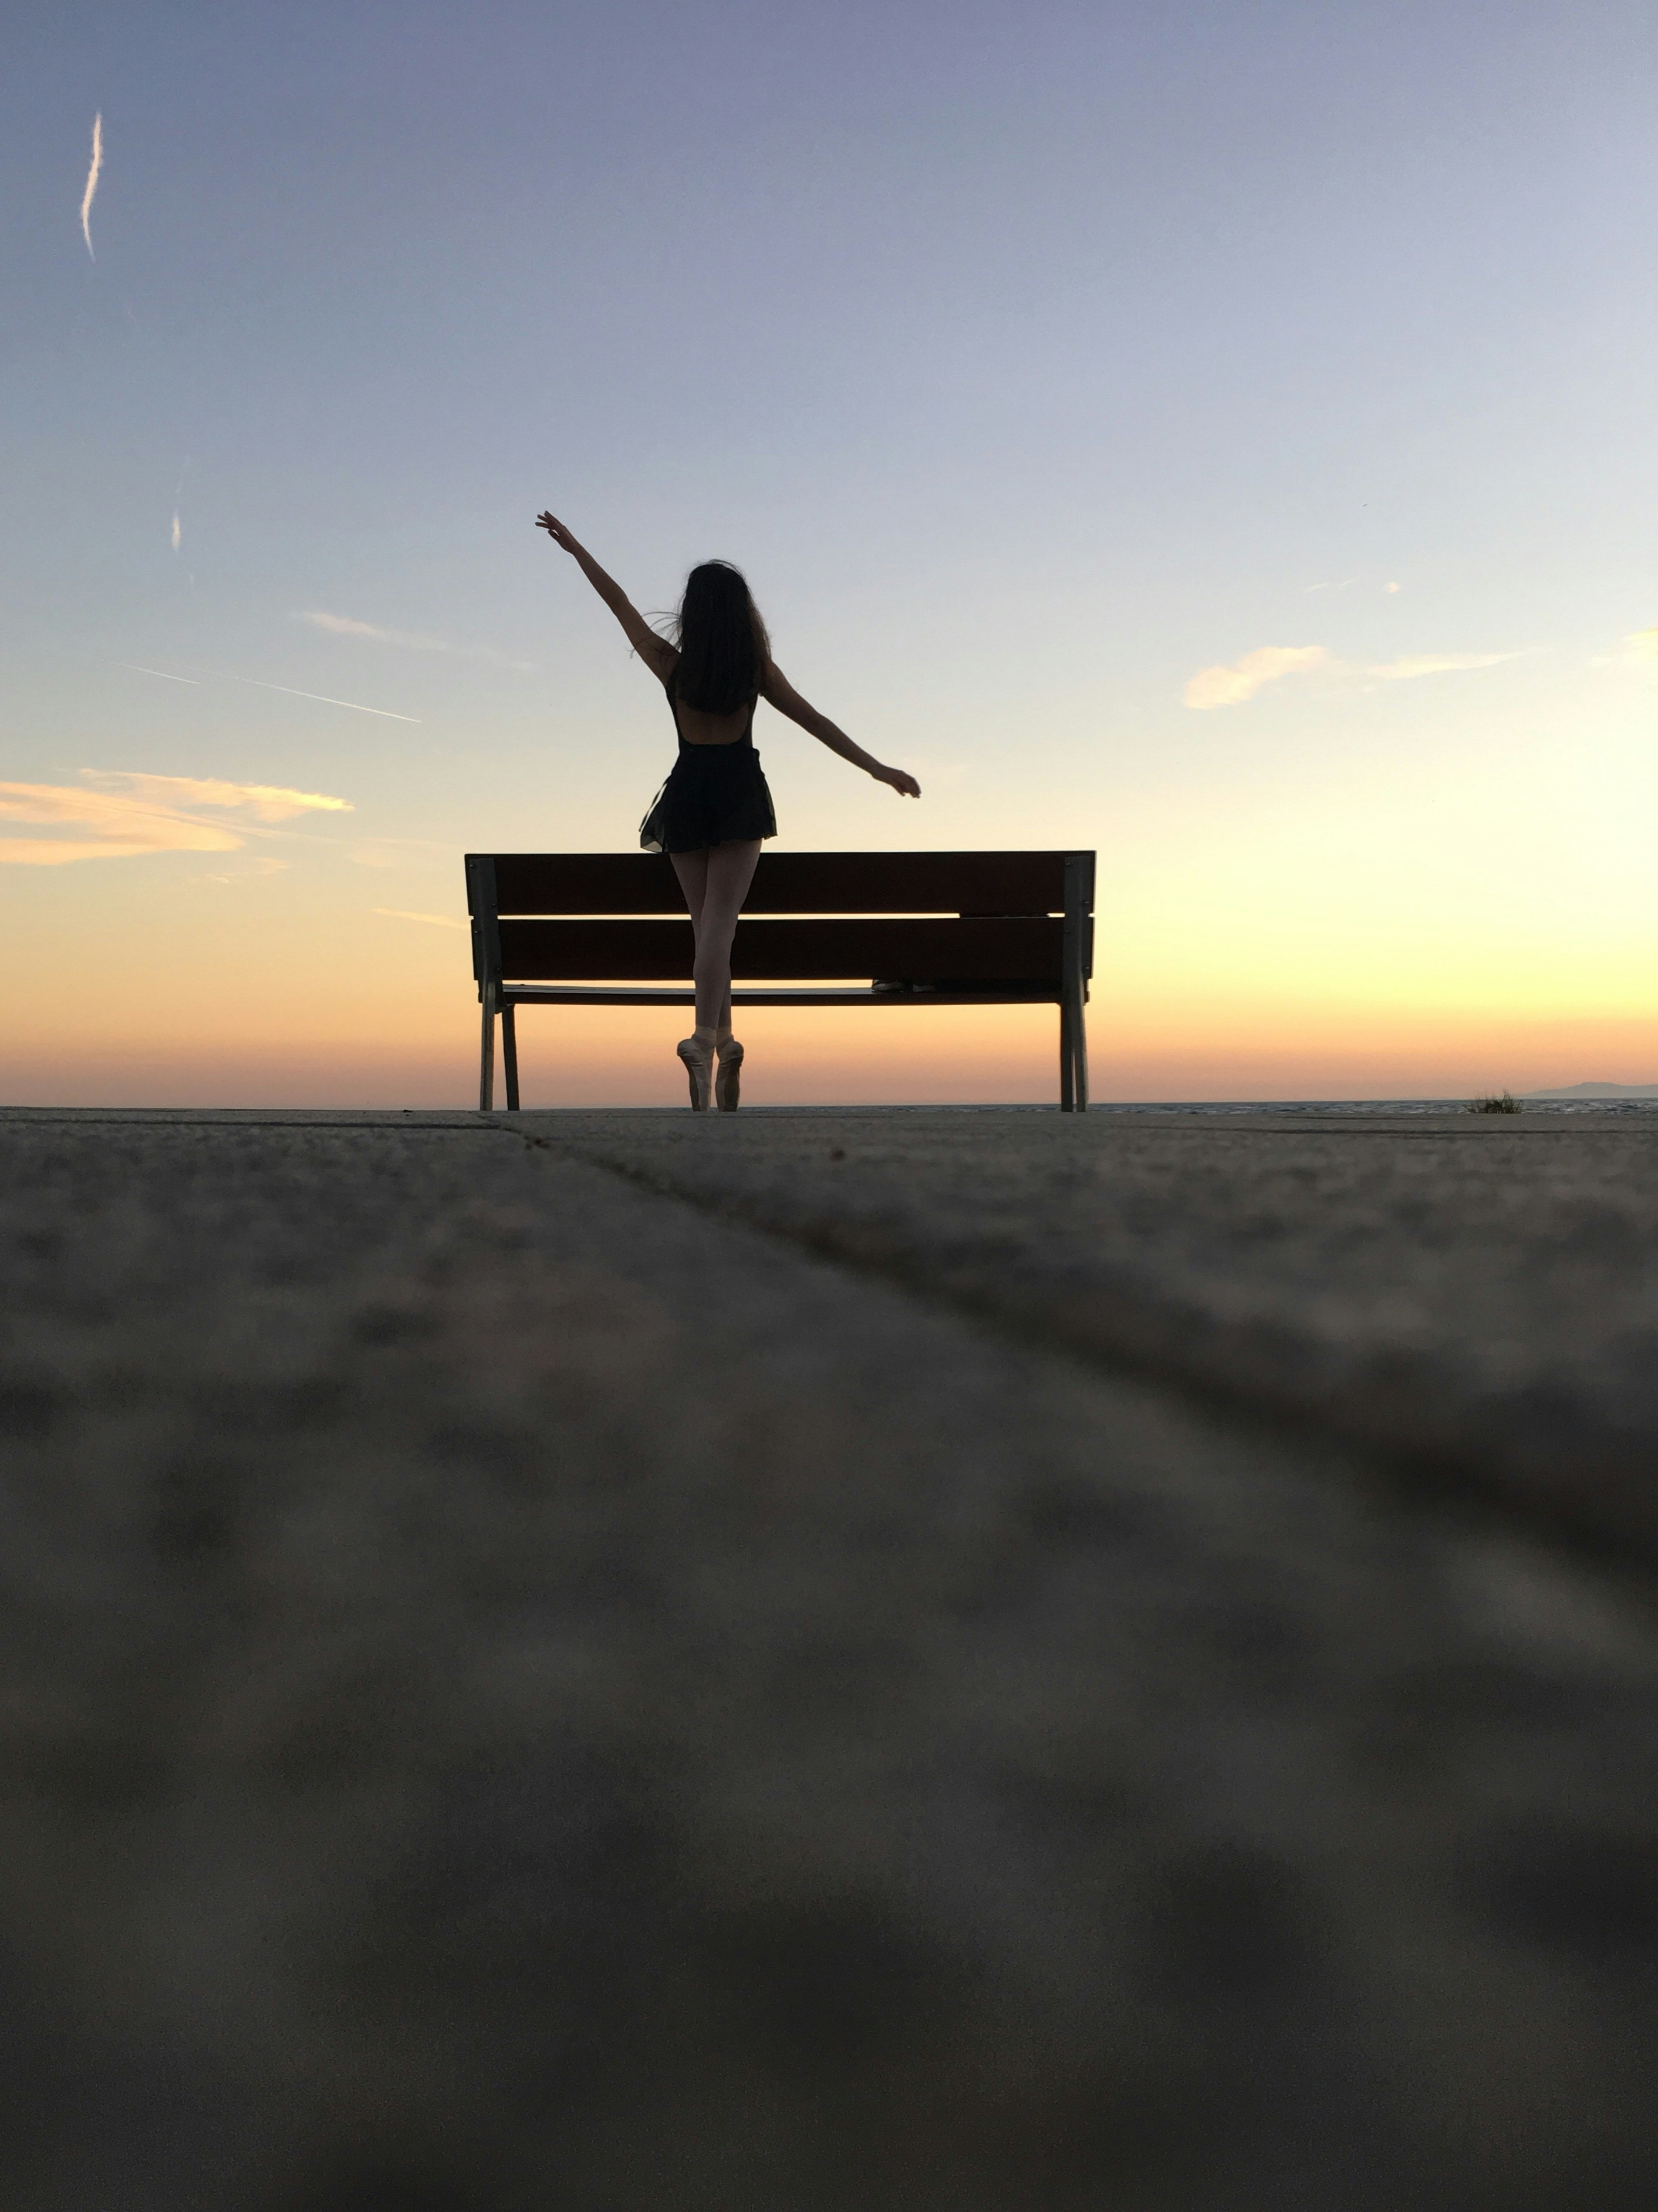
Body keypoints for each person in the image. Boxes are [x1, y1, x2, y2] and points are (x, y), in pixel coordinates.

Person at [536, 512, 921, 1110]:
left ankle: (723, 1042)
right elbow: (816, 723)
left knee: (706, 927)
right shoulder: (756, 672)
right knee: (719, 925)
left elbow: (618, 602)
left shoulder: (671, 665)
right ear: (742, 614)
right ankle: (701, 1039)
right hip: (739, 791)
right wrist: (878, 770)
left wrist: (576, 548)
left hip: (687, 792)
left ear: (692, 613)